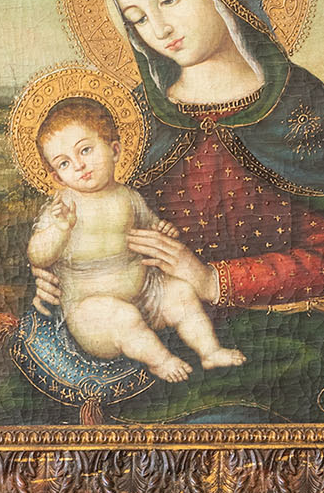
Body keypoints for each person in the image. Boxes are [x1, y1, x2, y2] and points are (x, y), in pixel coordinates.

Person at [24, 0, 324, 423]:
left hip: (281, 343)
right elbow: (83, 221)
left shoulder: (300, 106)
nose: (160, 28)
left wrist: (213, 280)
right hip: (147, 339)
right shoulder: (133, 120)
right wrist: (55, 274)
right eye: (138, 19)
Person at [23, 95, 244, 384]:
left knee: (180, 293)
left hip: (146, 295)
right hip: (91, 312)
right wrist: (60, 230)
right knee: (123, 317)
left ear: (114, 150)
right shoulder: (63, 207)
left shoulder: (129, 197)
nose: (79, 165)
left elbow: (150, 228)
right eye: (64, 163)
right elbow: (38, 255)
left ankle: (210, 351)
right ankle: (160, 361)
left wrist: (162, 231)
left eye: (86, 150)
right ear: (57, 177)